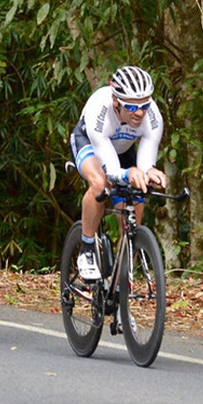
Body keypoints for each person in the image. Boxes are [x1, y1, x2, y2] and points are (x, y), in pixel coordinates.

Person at [69, 66, 165, 280]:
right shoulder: (99, 111)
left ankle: (122, 281)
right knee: (101, 184)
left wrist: (151, 173)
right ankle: (86, 249)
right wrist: (128, 173)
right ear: (116, 102)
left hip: (122, 149)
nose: (139, 112)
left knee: (137, 198)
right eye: (131, 106)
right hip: (91, 144)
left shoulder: (153, 117)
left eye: (144, 105)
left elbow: (146, 162)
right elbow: (111, 171)